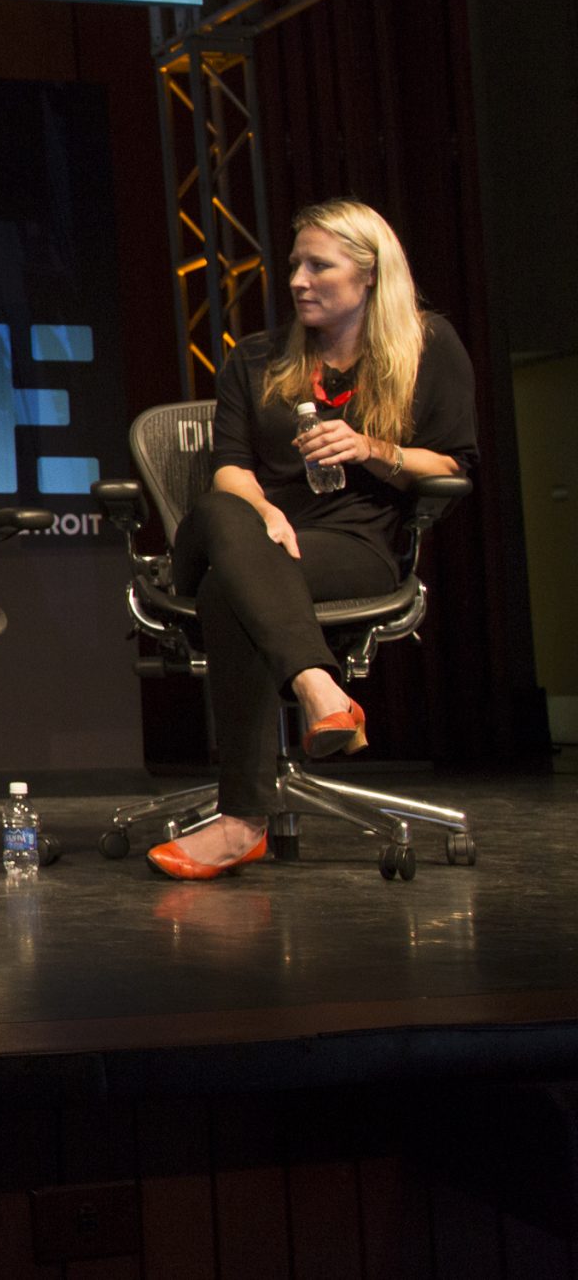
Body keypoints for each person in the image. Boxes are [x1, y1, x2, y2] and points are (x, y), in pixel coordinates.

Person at [144, 200, 476, 881]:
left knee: (228, 587)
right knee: (223, 510)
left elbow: (451, 465)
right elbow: (231, 467)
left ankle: (241, 824)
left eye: (317, 264)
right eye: (294, 262)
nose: (297, 278)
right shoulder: (257, 358)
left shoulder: (426, 345)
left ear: (368, 275)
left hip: (353, 546)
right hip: (248, 526)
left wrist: (370, 446)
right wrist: (263, 510)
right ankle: (319, 685)